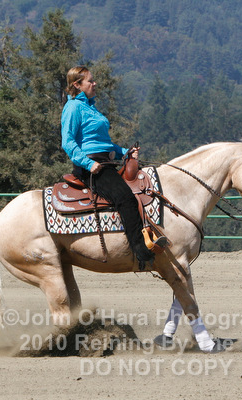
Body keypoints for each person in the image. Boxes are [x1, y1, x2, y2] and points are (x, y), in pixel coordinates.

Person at [60, 66, 156, 268]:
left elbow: (105, 144)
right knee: (125, 197)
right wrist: (88, 164)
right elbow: (67, 142)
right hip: (91, 167)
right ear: (77, 85)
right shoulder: (73, 108)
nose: (94, 84)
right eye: (90, 81)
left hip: (105, 162)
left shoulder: (90, 107)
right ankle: (141, 252)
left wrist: (126, 152)